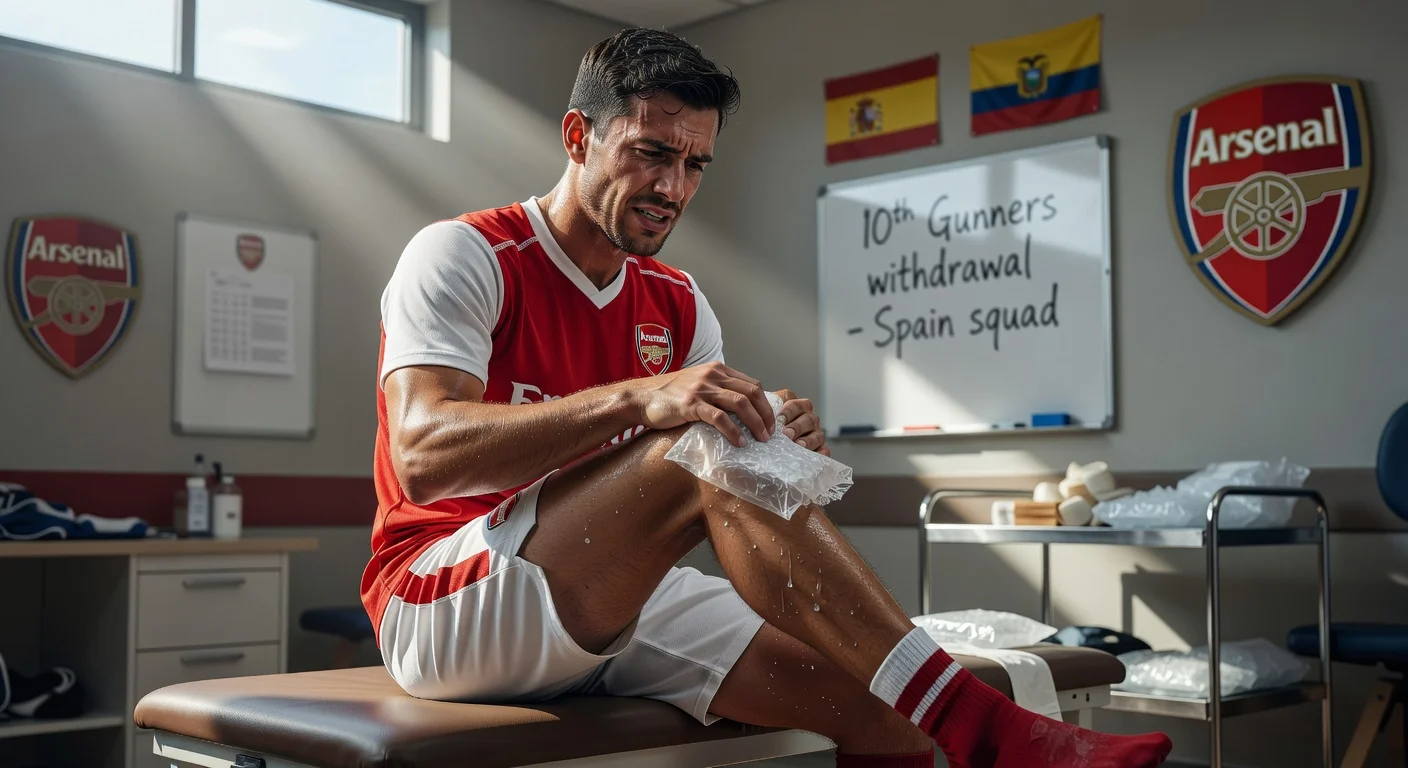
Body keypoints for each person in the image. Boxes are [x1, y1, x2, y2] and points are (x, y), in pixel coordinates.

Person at [362, 27, 1172, 768]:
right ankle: (986, 724)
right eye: (649, 153)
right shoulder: (468, 254)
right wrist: (641, 401)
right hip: (444, 598)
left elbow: (707, 483)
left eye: (694, 165)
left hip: (608, 597)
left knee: (883, 708)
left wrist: (773, 443)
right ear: (579, 137)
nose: (671, 187)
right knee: (700, 448)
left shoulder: (677, 300)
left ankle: (952, 716)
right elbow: (424, 456)